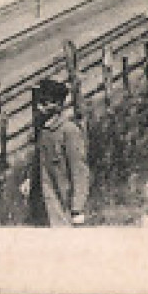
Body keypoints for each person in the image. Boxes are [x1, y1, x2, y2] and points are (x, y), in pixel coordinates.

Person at [28, 77, 89, 227]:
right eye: (39, 102)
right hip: (42, 208)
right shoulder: (43, 131)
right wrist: (29, 180)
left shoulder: (69, 131)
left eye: (45, 102)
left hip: (62, 209)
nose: (40, 107)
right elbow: (39, 162)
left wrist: (77, 208)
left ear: (58, 105)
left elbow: (79, 171)